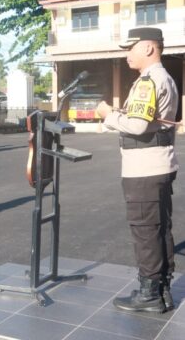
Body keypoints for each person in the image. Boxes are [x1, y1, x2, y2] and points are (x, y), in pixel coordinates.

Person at [96, 27, 178, 313]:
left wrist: (109, 115)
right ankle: (162, 288)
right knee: (159, 229)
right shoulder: (163, 77)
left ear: (148, 48)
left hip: (144, 167)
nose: (127, 54)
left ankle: (149, 293)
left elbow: (138, 126)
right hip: (158, 163)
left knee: (145, 230)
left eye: (130, 48)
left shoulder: (149, 80)